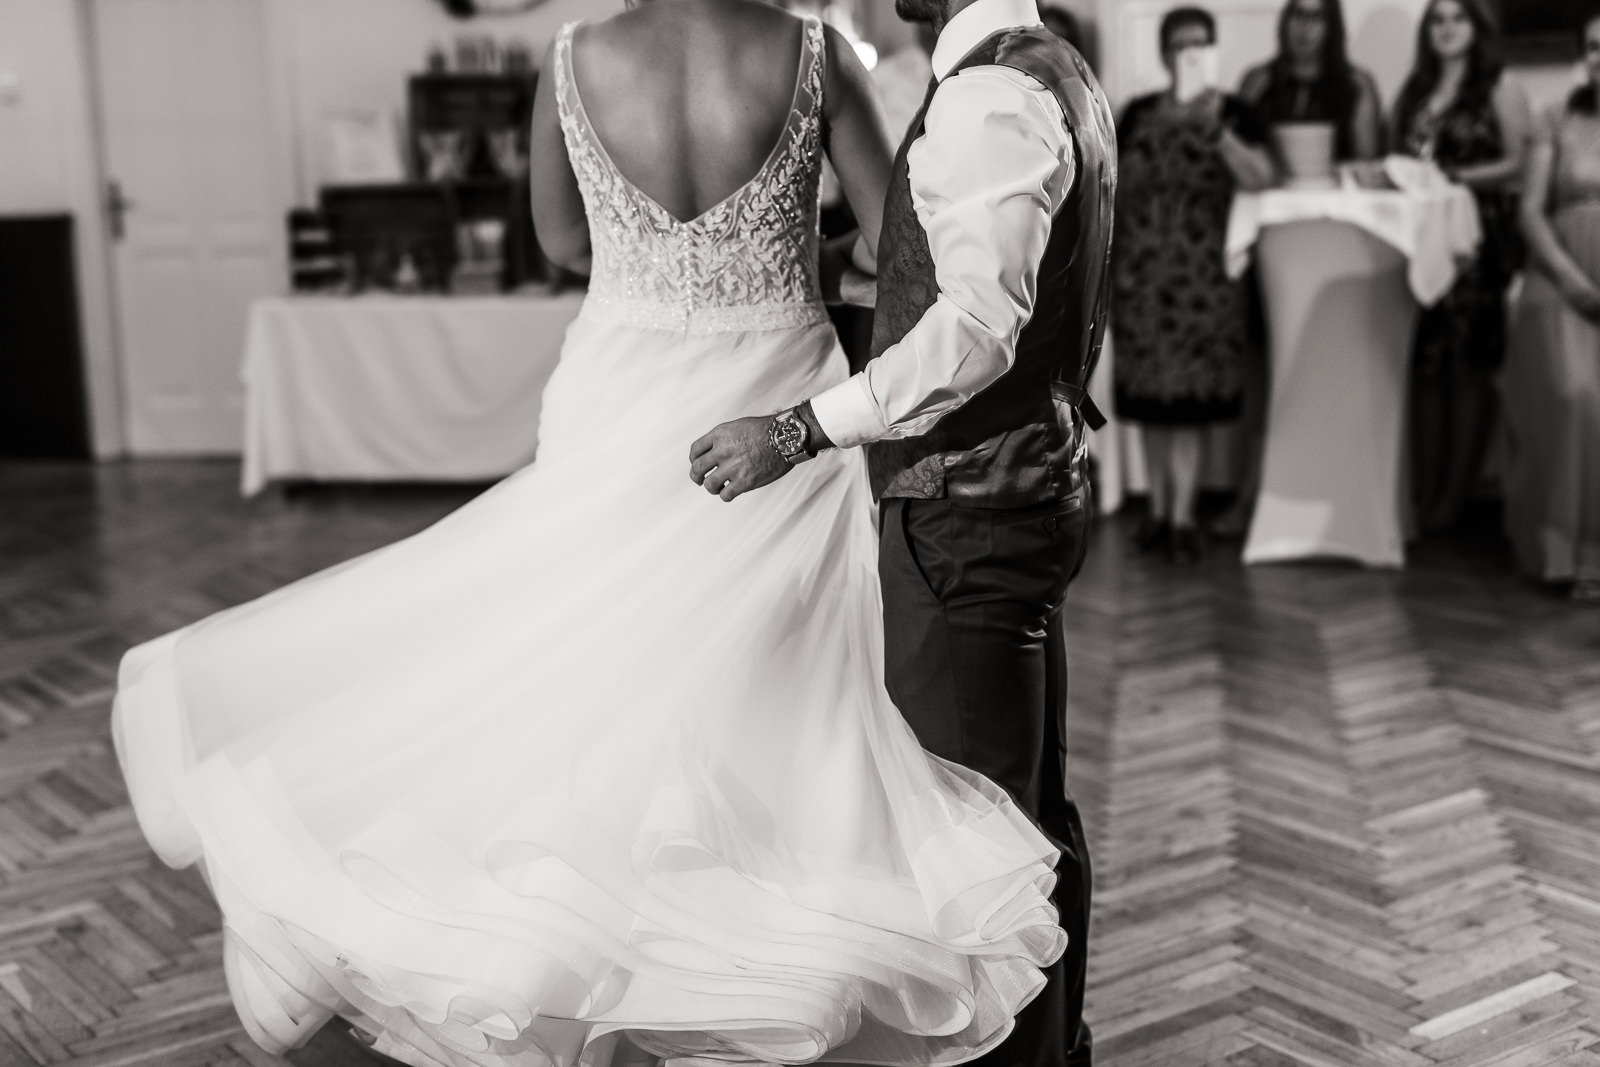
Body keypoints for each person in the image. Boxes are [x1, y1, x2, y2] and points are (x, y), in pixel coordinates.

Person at [109, 1, 1073, 1064]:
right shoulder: (809, 53)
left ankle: (576, 947)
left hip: (621, 386)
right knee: (760, 683)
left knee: (587, 662)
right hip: (774, 390)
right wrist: (796, 241)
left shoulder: (572, 58)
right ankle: (721, 955)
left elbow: (563, 238)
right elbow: (901, 239)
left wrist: (658, 253)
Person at [690, 0, 1114, 1060]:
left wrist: (796, 429)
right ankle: (1057, 1047)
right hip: (1016, 489)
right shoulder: (1042, 68)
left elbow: (975, 328)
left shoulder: (985, 97)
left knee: (970, 841)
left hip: (967, 507)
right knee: (1024, 818)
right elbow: (967, 264)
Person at [1109, 6, 1276, 564]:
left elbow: (1263, 177)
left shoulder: (1236, 113)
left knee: (1191, 406)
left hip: (1206, 284)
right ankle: (1158, 512)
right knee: (1151, 404)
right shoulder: (1135, 115)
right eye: (1180, 45)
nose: (1189, 53)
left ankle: (1182, 516)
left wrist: (1217, 133)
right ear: (1163, 54)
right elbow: (1110, 187)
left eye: (1199, 44)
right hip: (1142, 281)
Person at [1392, 0, 1530, 533]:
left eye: (1458, 19)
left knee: (1467, 365)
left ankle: (1455, 499)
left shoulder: (1500, 86)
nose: (1447, 30)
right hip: (1420, 241)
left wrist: (1456, 177)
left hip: (1477, 242)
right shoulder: (1416, 91)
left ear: (1477, 28)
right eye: (1438, 20)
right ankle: (1426, 493)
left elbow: (1520, 162)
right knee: (1426, 364)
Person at [1505, 9, 1600, 603]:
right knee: (1576, 396)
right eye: (1593, 47)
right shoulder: (1553, 117)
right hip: (1560, 278)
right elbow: (1530, 211)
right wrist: (1571, 279)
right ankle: (1565, 551)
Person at [1239, 0, 1385, 161]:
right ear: (1285, 20)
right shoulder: (1259, 79)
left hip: (1334, 183)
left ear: (1332, 26)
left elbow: (1366, 160)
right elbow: (1238, 150)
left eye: (1316, 17)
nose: (1304, 26)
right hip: (1272, 184)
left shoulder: (1356, 84)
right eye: (1298, 14)